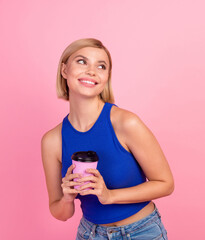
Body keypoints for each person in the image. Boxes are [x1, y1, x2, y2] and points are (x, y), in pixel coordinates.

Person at [41, 38, 174, 240]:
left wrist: (110, 195)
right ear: (64, 70)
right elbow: (60, 213)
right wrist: (67, 198)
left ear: (106, 78)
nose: (92, 71)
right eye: (82, 61)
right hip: (90, 234)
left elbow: (165, 183)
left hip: (142, 232)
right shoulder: (52, 141)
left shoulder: (126, 123)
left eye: (101, 66)